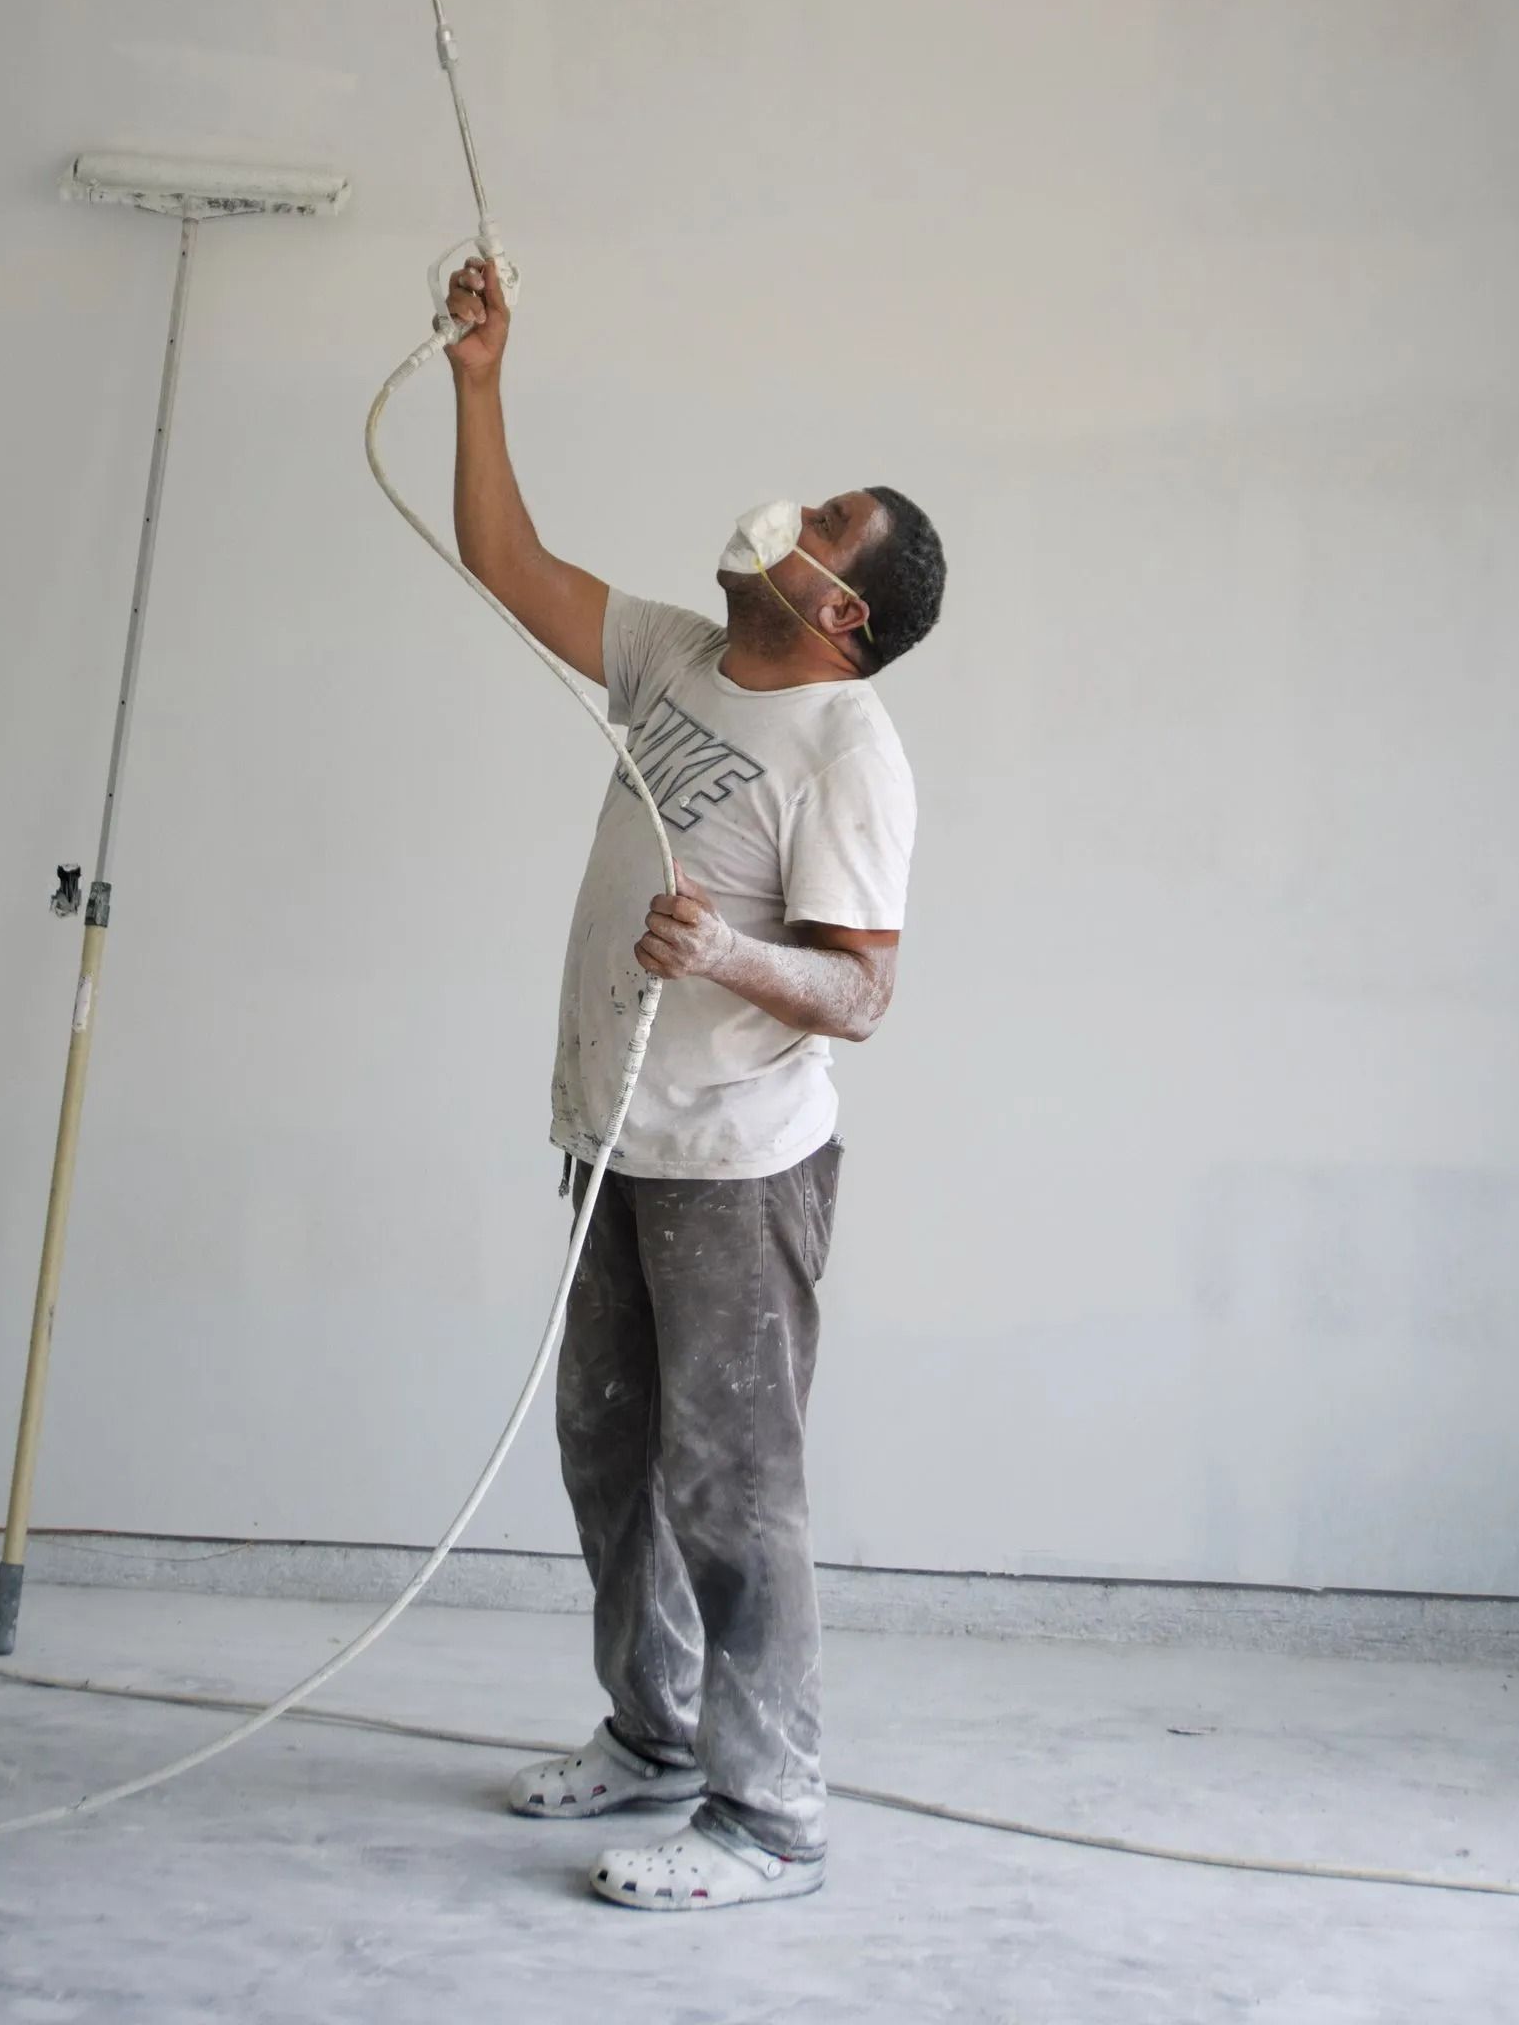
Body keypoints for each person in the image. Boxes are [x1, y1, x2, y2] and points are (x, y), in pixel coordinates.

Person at [443, 255, 945, 1913]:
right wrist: (482, 381)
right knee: (608, 1457)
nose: (787, 515)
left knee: (733, 1490)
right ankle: (651, 1734)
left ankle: (770, 1815)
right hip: (612, 1135)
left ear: (843, 609)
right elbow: (506, 561)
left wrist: (726, 955)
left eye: (828, 520)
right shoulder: (672, 655)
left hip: (736, 1165)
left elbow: (863, 989)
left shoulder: (851, 749)